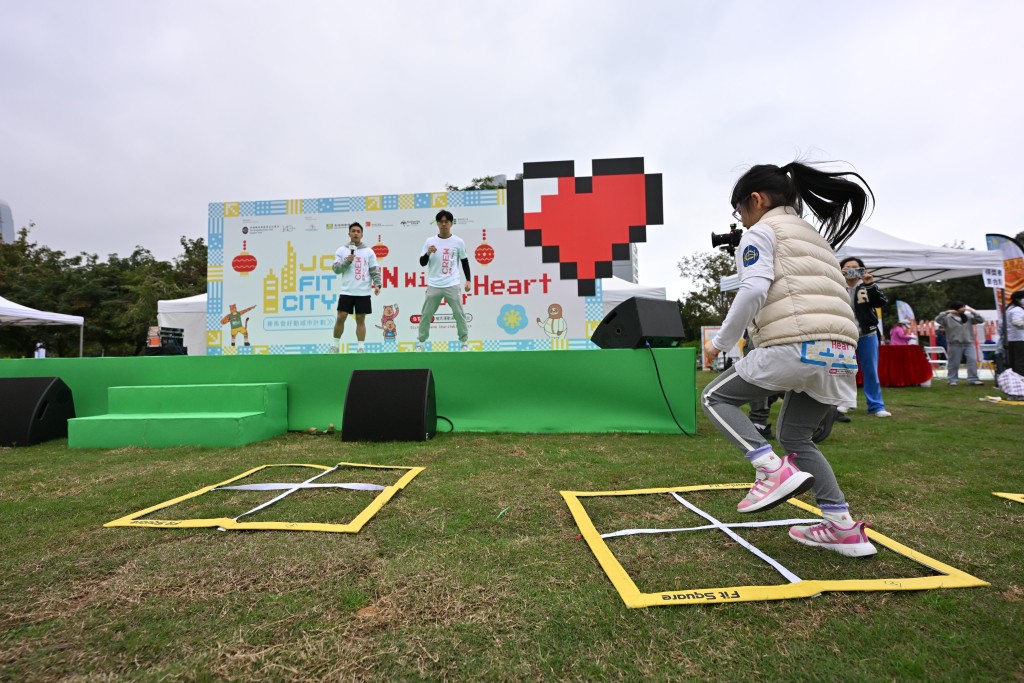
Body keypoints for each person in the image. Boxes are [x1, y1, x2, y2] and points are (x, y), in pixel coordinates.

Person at [702, 160, 876, 558]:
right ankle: (842, 527)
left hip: (793, 344)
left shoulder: (762, 232)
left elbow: (752, 291)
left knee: (716, 398)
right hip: (840, 354)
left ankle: (769, 468)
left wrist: (721, 343)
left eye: (739, 211)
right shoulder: (817, 241)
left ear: (756, 200)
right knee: (797, 437)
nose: (741, 222)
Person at [416, 210, 472, 352]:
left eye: (446, 221)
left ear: (451, 223)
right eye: (441, 221)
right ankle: (421, 343)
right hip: (434, 284)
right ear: (437, 223)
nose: (444, 224)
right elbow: (422, 263)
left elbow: (465, 262)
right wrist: (428, 252)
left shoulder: (458, 242)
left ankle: (464, 342)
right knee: (426, 314)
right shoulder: (430, 241)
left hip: (452, 284)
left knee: (459, 313)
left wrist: (468, 280)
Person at [330, 222, 381, 353]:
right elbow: (336, 269)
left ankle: (360, 348)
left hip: (363, 292)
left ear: (362, 234)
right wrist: (347, 261)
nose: (356, 233)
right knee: (341, 317)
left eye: (358, 231)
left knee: (360, 319)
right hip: (347, 291)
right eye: (353, 231)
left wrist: (377, 284)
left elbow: (374, 269)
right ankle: (335, 346)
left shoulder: (369, 251)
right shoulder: (341, 250)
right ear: (349, 234)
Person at [934, 301, 986, 385]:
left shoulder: (968, 317)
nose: (964, 309)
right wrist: (947, 312)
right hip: (954, 343)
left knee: (972, 360)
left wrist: (972, 311)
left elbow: (981, 320)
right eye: (962, 307)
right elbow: (937, 319)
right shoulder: (948, 318)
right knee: (954, 362)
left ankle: (973, 379)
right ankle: (952, 380)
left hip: (969, 343)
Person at [1006, 290, 1024, 376]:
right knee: (1020, 360)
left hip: (1013, 338)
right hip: (1019, 338)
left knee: (1015, 360)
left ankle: (1015, 377)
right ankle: (1020, 378)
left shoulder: (1010, 308)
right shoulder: (1017, 309)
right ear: (1018, 299)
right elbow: (1017, 322)